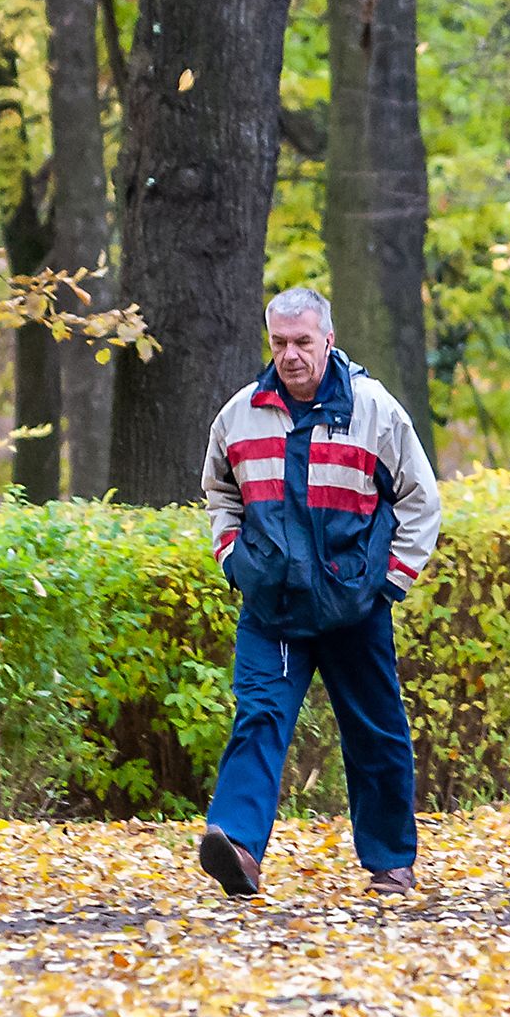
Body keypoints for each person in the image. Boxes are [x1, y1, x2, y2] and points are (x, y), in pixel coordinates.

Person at [197, 287, 440, 897]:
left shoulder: (375, 410)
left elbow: (420, 499)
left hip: (353, 605)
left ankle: (390, 861)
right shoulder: (239, 414)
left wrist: (389, 581)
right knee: (259, 717)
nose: (291, 355)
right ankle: (237, 848)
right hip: (273, 608)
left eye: (303, 342)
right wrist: (234, 558)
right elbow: (220, 493)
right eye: (279, 343)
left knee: (375, 730)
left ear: (327, 341)